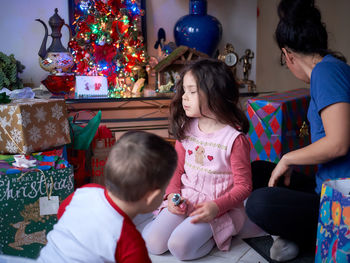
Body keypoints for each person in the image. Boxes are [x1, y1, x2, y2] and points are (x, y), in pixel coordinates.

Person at [245, 0, 350, 262]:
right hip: (326, 188)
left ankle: (298, 236)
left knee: (260, 204)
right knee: (257, 171)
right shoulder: (331, 69)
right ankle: (292, 233)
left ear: (287, 55)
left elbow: (338, 143)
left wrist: (288, 158)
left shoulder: (326, 73)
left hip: (340, 203)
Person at [142, 58, 252, 260]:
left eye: (192, 92)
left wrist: (216, 207)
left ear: (215, 95)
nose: (184, 97)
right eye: (184, 91)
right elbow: (177, 169)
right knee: (154, 245)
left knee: (179, 248)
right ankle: (168, 221)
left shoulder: (234, 139)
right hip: (186, 200)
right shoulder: (187, 129)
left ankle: (216, 236)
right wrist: (172, 196)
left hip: (216, 208)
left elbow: (244, 186)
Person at [37, 131, 178, 263]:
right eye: (164, 189)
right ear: (151, 197)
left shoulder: (85, 192)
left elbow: (62, 212)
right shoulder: (129, 241)